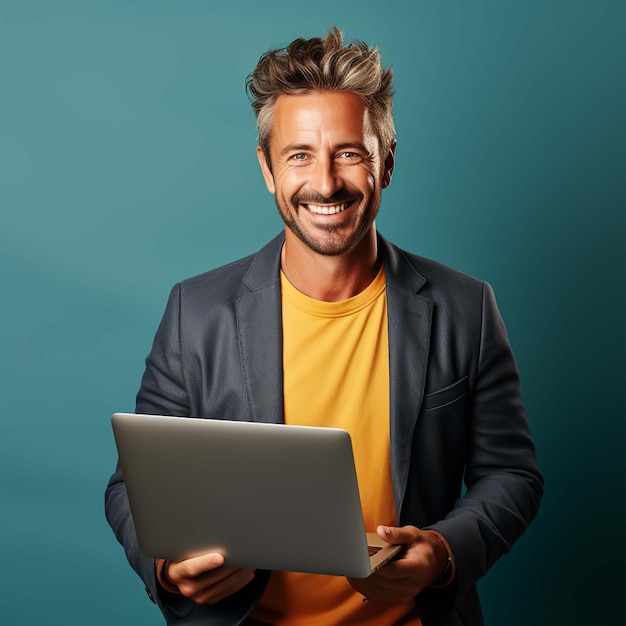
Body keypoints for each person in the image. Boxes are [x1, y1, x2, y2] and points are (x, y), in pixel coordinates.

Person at [105, 26, 543, 626]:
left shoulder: (465, 307)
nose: (326, 182)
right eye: (299, 155)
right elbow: (133, 484)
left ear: (385, 162)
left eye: (349, 153)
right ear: (267, 168)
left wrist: (443, 553)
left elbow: (511, 474)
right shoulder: (195, 312)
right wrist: (167, 567)